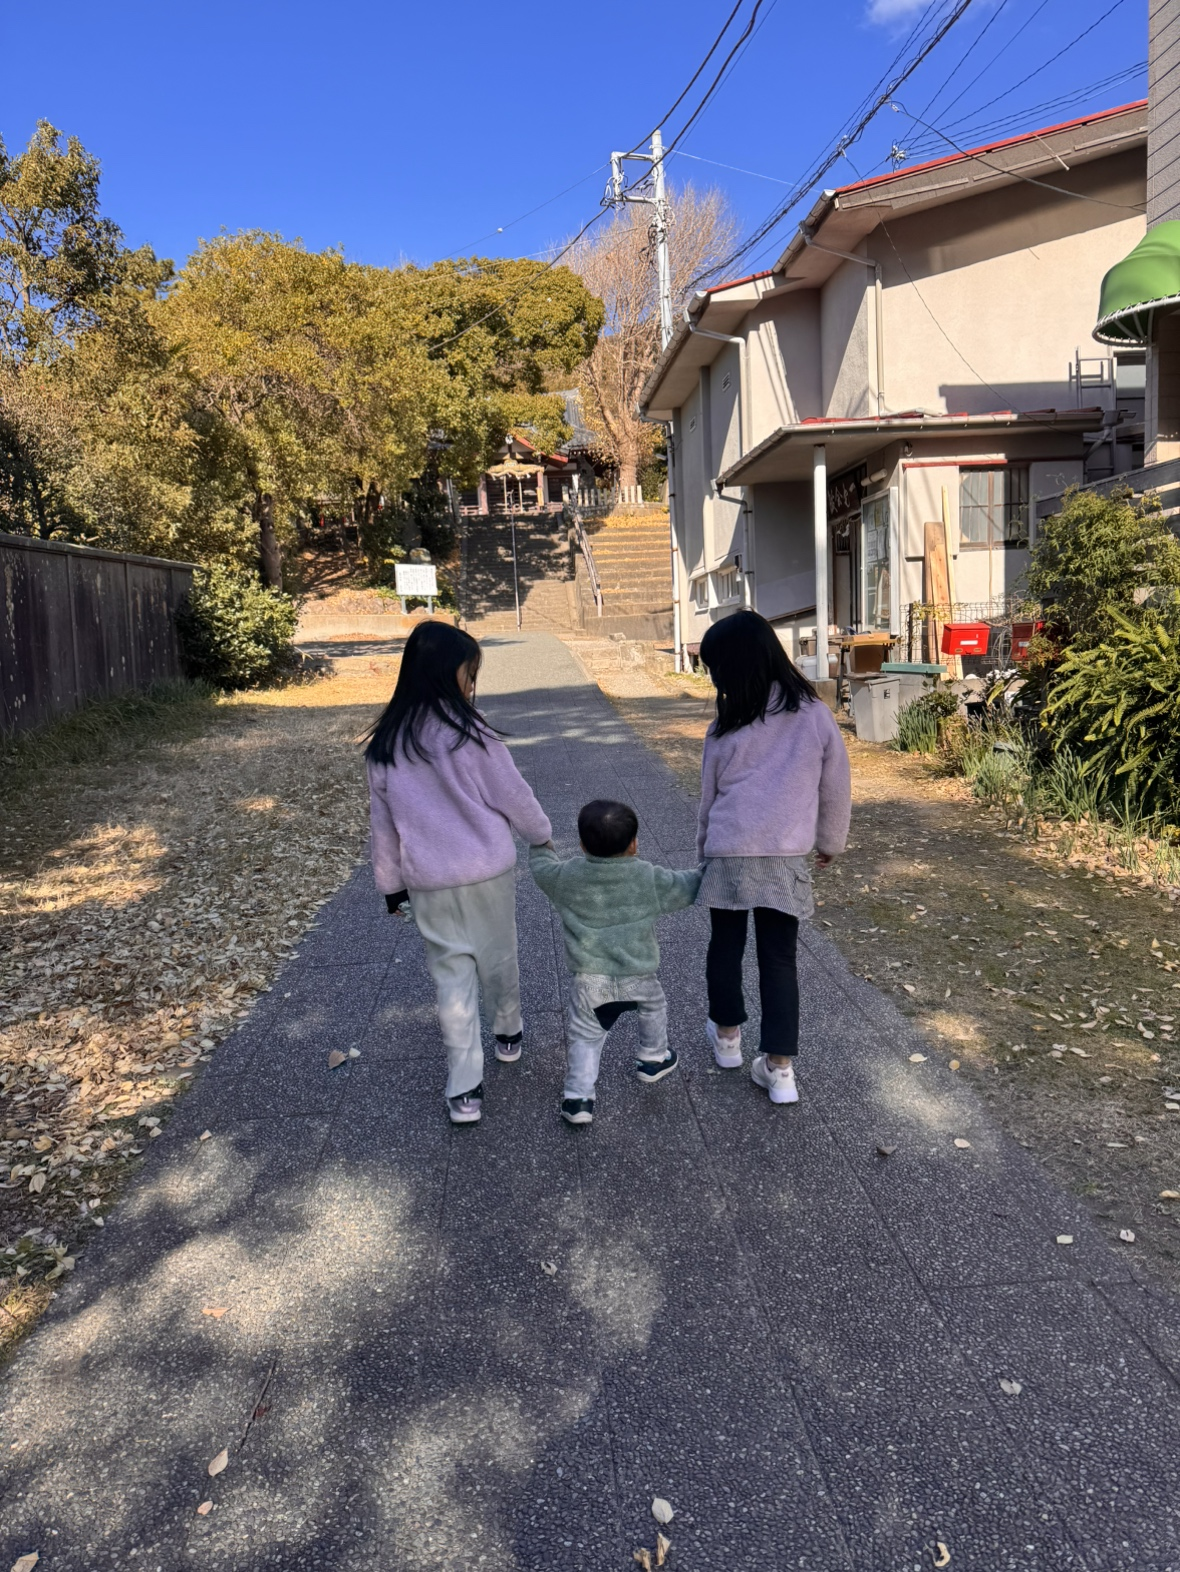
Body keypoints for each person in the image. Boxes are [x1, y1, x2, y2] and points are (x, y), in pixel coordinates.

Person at [365, 622, 552, 1125]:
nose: (472, 685)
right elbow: (512, 794)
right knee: (498, 959)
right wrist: (540, 834)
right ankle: (508, 1032)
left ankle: (464, 1088)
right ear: (449, 674)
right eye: (470, 674)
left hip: (427, 880)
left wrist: (390, 886)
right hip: (486, 872)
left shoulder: (386, 743)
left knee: (451, 980)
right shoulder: (471, 733)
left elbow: (383, 826)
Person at [696, 610, 851, 1105]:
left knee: (725, 947)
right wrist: (830, 841)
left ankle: (727, 1040)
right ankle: (780, 1069)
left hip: (729, 852)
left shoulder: (725, 725)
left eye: (716, 669)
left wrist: (704, 852)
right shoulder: (815, 715)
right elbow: (836, 785)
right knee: (779, 958)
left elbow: (709, 798)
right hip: (784, 856)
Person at [530, 799, 701, 1126]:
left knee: (585, 1036)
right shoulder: (647, 877)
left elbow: (542, 868)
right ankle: (653, 1058)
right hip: (640, 975)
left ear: (582, 846)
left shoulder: (567, 876)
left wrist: (540, 844)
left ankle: (578, 1098)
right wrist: (711, 866)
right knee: (654, 1008)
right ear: (634, 844)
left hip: (589, 980)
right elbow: (687, 886)